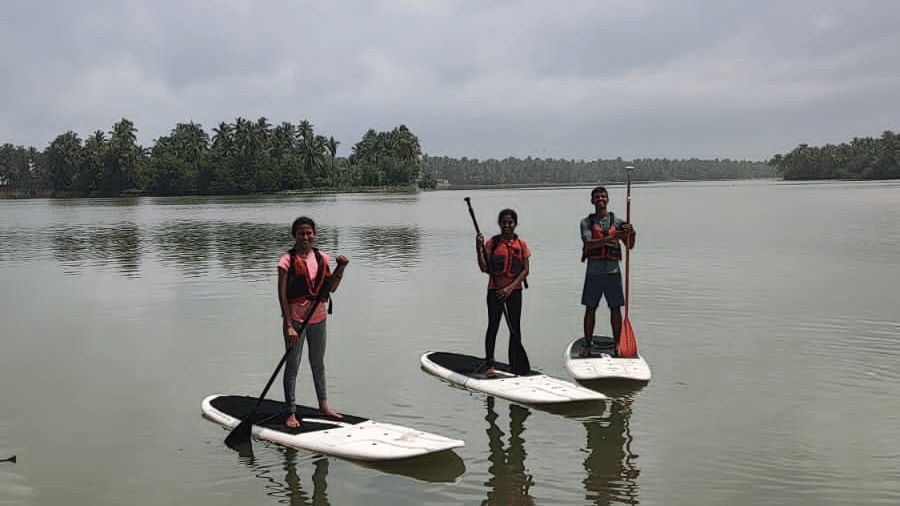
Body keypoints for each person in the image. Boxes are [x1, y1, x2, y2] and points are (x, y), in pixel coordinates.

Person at [277, 216, 348, 428]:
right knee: (292, 366)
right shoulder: (286, 260)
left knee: (318, 364)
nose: (305, 237)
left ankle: (323, 406)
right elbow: (282, 296)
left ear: (314, 234)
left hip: (318, 319)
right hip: (296, 322)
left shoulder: (322, 258)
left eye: (309, 233)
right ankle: (291, 412)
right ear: (294, 235)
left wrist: (341, 268)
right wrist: (289, 325)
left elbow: (331, 288)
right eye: (301, 233)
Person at [580, 186, 636, 357]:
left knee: (615, 309)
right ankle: (588, 344)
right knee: (590, 308)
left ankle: (617, 345)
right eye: (597, 197)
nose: (600, 199)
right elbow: (588, 243)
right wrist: (611, 238)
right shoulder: (586, 222)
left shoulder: (618, 222)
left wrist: (631, 233)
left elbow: (630, 246)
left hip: (613, 273)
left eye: (603, 196)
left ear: (607, 199)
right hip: (594, 273)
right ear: (592, 201)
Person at [475, 208, 531, 377]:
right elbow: (484, 268)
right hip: (494, 292)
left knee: (515, 329)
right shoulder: (492, 244)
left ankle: (515, 365)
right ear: (499, 224)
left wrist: (509, 288)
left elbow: (525, 271)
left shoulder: (521, 245)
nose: (507, 225)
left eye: (510, 222)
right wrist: (478, 248)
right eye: (504, 222)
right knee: (493, 327)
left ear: (515, 224)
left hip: (514, 292)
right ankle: (489, 364)